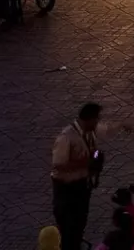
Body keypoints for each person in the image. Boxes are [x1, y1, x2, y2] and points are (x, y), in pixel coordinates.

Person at [50, 102, 102, 250]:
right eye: (96, 119)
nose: (98, 121)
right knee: (68, 226)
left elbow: (94, 152)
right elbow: (58, 164)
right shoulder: (66, 137)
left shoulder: (90, 133)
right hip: (66, 189)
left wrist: (95, 159)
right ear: (89, 119)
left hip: (82, 186)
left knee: (80, 223)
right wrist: (86, 163)